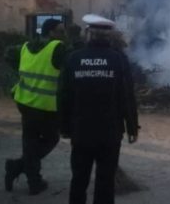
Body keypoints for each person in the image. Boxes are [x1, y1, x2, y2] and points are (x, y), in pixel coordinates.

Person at [59, 14, 139, 204]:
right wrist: (132, 127)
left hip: (81, 131)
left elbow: (63, 96)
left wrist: (65, 127)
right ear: (109, 36)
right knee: (105, 181)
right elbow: (127, 96)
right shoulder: (119, 60)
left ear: (88, 34)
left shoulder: (73, 59)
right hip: (110, 132)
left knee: (79, 179)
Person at [5, 18, 67, 195]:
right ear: (51, 32)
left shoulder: (26, 46)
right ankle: (18, 167)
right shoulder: (57, 47)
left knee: (30, 142)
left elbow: (8, 55)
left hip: (25, 102)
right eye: (60, 31)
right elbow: (71, 65)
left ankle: (34, 182)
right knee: (51, 139)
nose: (63, 34)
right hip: (45, 106)